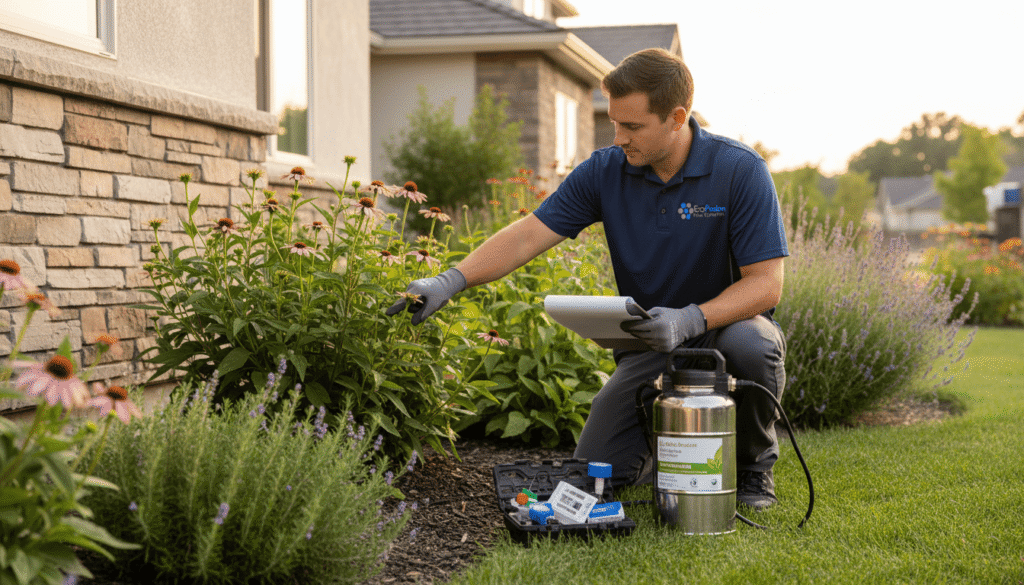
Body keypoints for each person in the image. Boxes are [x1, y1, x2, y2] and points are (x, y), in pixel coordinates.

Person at [386, 48, 788, 510]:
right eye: (614, 122)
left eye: (632, 126)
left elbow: (766, 285)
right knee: (597, 470)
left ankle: (754, 470)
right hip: (653, 340)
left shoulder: (739, 170)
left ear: (677, 117)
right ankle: (669, 451)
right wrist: (450, 280)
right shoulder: (606, 171)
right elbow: (526, 236)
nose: (619, 137)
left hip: (728, 325)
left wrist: (691, 318)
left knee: (753, 346)